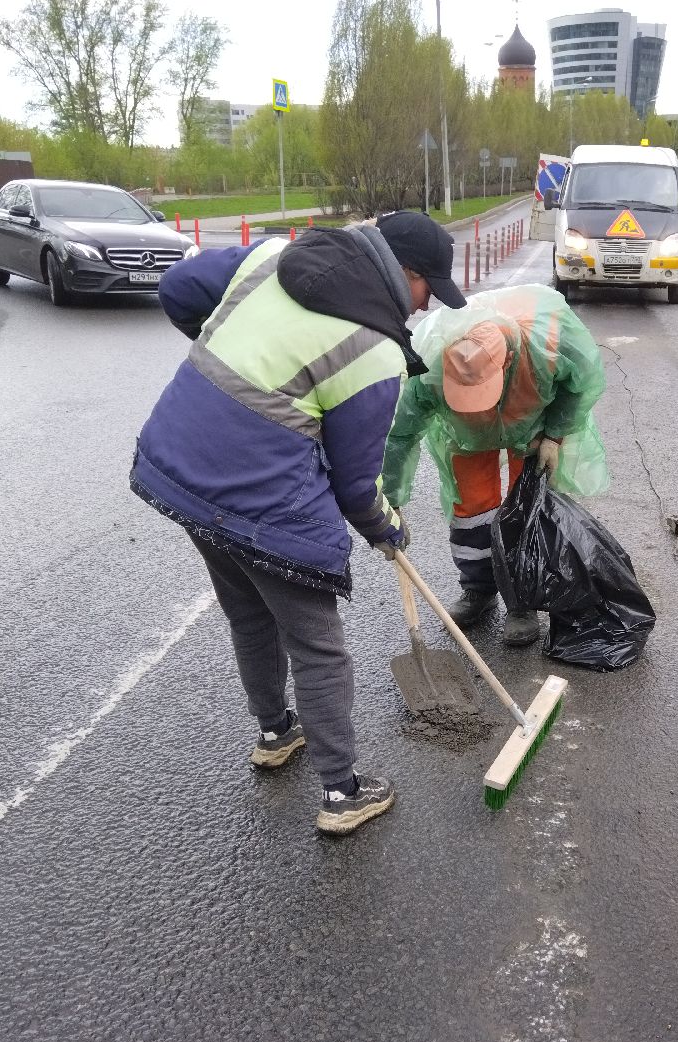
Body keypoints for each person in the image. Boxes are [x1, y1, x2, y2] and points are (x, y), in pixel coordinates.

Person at [130, 211, 465, 836]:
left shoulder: (274, 258)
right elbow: (355, 485)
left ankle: (276, 734)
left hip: (180, 463)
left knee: (250, 615)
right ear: (407, 275)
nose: (423, 309)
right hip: (259, 494)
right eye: (429, 292)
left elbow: (178, 290)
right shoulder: (374, 351)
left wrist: (239, 376)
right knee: (318, 645)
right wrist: (386, 528)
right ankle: (343, 792)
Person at [381, 284, 608, 645]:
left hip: (530, 424)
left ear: (507, 362)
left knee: (527, 508)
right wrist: (390, 499)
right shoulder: (429, 367)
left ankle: (522, 600)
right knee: (471, 508)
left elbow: (580, 385)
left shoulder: (548, 343)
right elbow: (400, 435)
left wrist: (553, 436)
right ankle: (479, 589)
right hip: (467, 433)